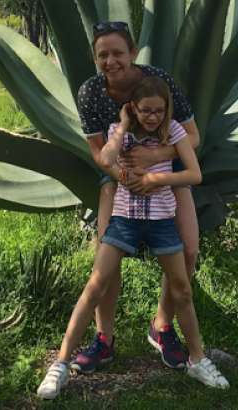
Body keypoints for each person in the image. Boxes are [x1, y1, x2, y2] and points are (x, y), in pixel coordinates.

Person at [37, 77, 228, 399]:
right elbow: (107, 159)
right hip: (124, 221)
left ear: (166, 110)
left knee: (181, 290)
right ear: (133, 109)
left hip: (161, 222)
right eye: (144, 111)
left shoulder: (175, 133)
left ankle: (198, 359)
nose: (152, 117)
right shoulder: (119, 132)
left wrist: (156, 177)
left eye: (158, 111)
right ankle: (61, 364)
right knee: (95, 286)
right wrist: (124, 126)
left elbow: (194, 174)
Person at [72, 21, 200, 373]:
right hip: (118, 178)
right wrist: (126, 177)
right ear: (95, 58)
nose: (111, 61)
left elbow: (193, 136)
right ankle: (104, 338)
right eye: (103, 55)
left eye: (118, 53)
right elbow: (98, 151)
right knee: (106, 252)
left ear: (132, 53)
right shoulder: (90, 92)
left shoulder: (159, 81)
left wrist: (157, 160)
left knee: (188, 249)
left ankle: (162, 327)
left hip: (168, 173)